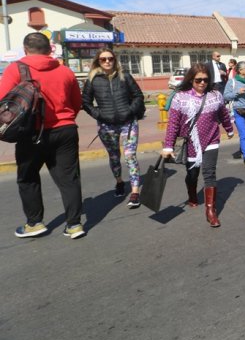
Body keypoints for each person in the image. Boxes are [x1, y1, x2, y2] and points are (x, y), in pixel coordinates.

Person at [0, 33, 85, 239]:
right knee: (69, 179)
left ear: (25, 48)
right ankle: (74, 225)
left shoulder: (16, 69)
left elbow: (4, 100)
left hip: (30, 133)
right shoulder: (65, 71)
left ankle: (35, 223)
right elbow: (76, 103)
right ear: (49, 49)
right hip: (65, 131)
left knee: (28, 178)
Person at [161, 63, 234, 227]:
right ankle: (192, 194)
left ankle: (211, 211)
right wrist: (168, 146)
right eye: (198, 80)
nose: (202, 83)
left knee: (209, 174)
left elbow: (223, 114)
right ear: (191, 80)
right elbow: (173, 124)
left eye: (205, 80)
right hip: (191, 143)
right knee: (192, 174)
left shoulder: (215, 95)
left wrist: (229, 129)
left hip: (211, 139)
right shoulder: (180, 97)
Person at [82, 49, 145, 208]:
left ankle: (135, 191)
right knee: (114, 156)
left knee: (130, 156)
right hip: (106, 125)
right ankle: (119, 182)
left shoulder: (125, 76)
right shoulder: (92, 80)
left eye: (110, 59)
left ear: (114, 60)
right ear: (98, 61)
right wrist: (100, 115)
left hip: (128, 123)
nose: (107, 62)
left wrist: (130, 111)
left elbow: (138, 96)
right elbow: (86, 103)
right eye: (103, 59)